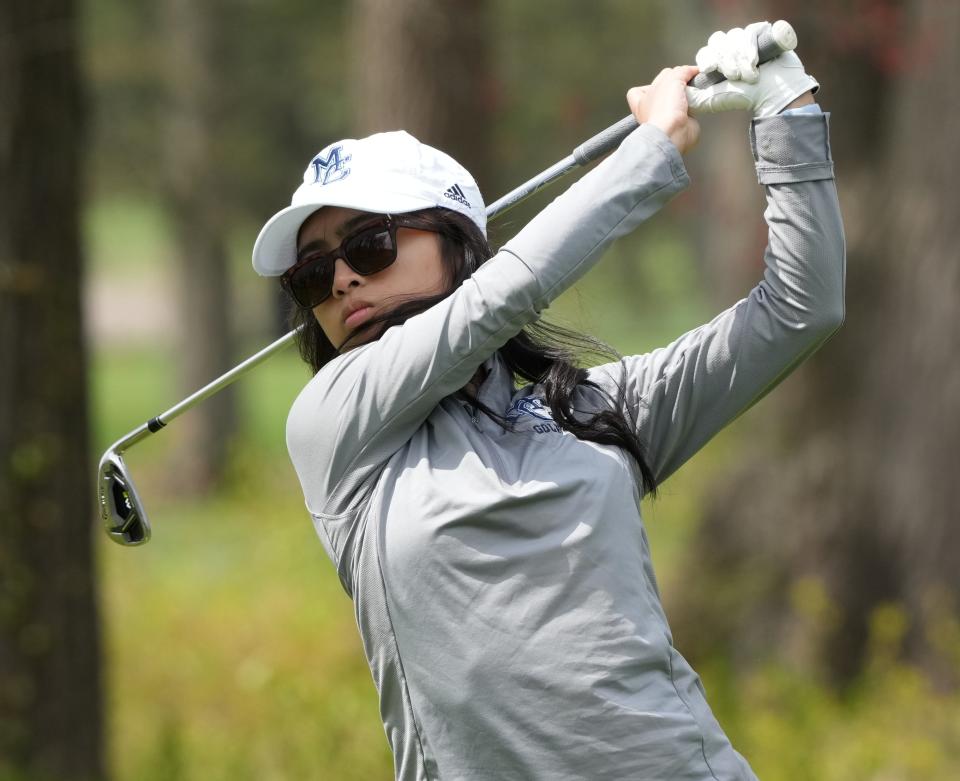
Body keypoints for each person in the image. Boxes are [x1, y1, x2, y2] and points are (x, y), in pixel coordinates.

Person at [251, 23, 844, 781]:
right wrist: (650, 150)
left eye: (369, 246)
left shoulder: (593, 412)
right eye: (312, 274)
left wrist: (785, 107)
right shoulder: (333, 429)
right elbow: (500, 298)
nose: (339, 282)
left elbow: (804, 307)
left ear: (457, 244)